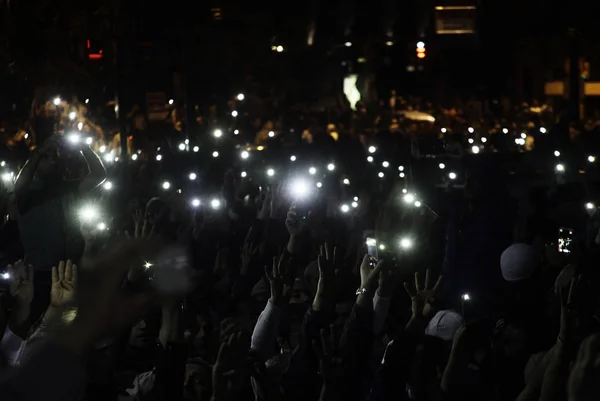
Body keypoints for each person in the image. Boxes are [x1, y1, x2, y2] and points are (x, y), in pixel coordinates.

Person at [13, 135, 106, 319]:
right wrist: (38, 153)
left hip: (72, 274)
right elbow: (19, 185)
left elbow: (99, 175)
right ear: (37, 163)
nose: (54, 160)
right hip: (40, 277)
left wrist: (84, 147)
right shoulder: (27, 194)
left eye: (57, 155)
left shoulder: (70, 188)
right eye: (48, 157)